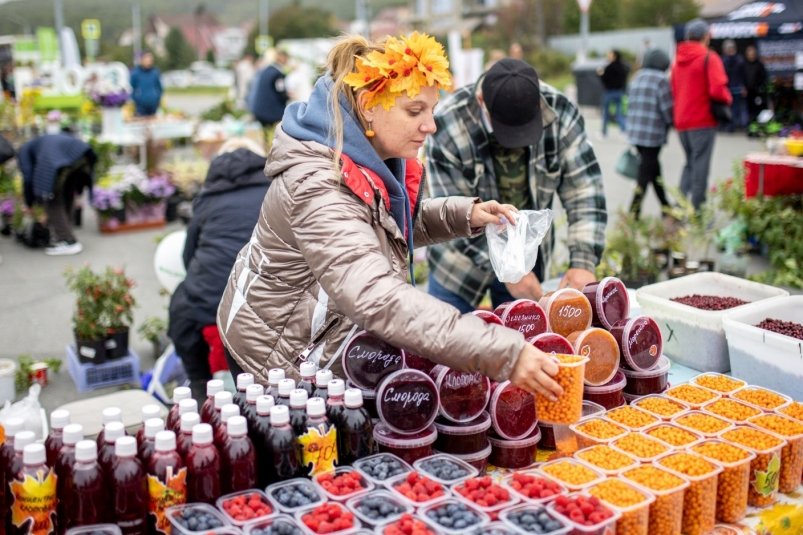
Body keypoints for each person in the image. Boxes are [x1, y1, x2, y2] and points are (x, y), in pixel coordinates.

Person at [217, 33, 563, 401]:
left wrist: (465, 215)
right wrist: (505, 353)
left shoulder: (367, 152)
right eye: (415, 111)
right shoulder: (319, 185)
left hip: (318, 335)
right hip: (276, 354)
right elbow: (376, 296)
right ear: (368, 105)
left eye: (431, 110)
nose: (431, 125)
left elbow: (382, 225)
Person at [426, 58, 607, 311]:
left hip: (529, 259)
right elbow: (449, 215)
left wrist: (583, 262)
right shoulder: (447, 123)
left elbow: (584, 190)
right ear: (481, 102)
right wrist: (511, 270)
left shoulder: (559, 110)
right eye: (507, 131)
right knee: (440, 340)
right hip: (460, 266)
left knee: (523, 341)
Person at [169, 138, 270, 401]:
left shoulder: (208, 197)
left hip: (207, 306)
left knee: (183, 304)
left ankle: (200, 387)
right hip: (263, 304)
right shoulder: (275, 189)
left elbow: (187, 255)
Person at [671, 19, 731, 211]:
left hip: (681, 121)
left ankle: (679, 207)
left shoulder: (677, 61)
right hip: (702, 120)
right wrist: (728, 99)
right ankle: (698, 212)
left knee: (690, 163)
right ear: (706, 37)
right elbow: (717, 89)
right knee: (700, 166)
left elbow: (674, 89)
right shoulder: (709, 57)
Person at [17, 132, 96, 255]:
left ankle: (68, 241)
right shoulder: (38, 142)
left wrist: (29, 204)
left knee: (52, 200)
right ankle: (65, 232)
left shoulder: (23, 151)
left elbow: (28, 178)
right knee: (67, 194)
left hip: (58, 160)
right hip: (82, 154)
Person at [626, 48, 673, 219]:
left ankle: (666, 207)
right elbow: (667, 108)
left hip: (635, 133)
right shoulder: (661, 80)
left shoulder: (636, 77)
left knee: (653, 170)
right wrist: (672, 121)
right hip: (653, 134)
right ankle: (633, 212)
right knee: (645, 174)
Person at [249, 49, 290, 128]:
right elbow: (281, 93)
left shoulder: (266, 70)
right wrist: (288, 96)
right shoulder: (277, 74)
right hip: (270, 113)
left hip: (260, 110)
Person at [598, 49, 629, 136]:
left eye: (610, 55)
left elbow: (604, 79)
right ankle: (624, 130)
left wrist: (600, 74)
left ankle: (604, 132)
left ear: (615, 56)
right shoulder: (623, 67)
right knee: (619, 113)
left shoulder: (609, 67)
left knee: (606, 113)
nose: (608, 56)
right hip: (619, 92)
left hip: (609, 92)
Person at [722, 39, 748, 131]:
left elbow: (744, 75)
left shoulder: (740, 60)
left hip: (738, 88)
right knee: (729, 108)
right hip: (727, 89)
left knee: (738, 108)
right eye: (728, 48)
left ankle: (739, 125)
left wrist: (744, 87)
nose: (730, 50)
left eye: (731, 48)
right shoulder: (724, 61)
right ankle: (731, 125)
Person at [130, 52, 163, 117]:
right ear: (142, 60)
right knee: (141, 124)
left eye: (150, 60)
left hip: (153, 104)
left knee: (153, 124)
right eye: (146, 59)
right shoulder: (136, 73)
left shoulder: (155, 72)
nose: (148, 61)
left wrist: (158, 99)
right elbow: (132, 87)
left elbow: (159, 87)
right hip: (140, 106)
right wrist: (136, 99)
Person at [744, 45, 767, 126]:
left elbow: (764, 77)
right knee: (749, 110)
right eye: (749, 54)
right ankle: (750, 125)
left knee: (759, 109)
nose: (751, 56)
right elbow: (742, 77)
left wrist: (761, 88)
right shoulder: (744, 65)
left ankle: (760, 125)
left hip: (758, 92)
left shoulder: (759, 65)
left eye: (753, 54)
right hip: (748, 92)